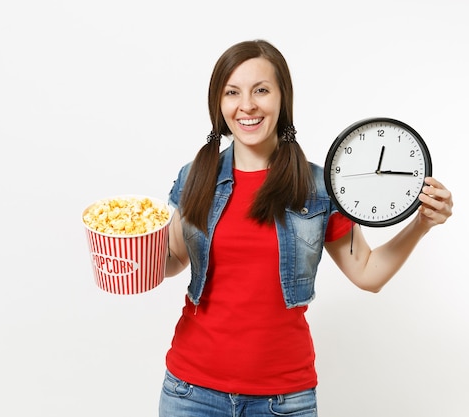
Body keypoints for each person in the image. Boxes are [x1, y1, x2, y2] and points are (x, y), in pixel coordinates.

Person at [159, 39, 453, 417]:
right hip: (190, 393)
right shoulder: (196, 176)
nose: (246, 105)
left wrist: (422, 224)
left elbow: (367, 273)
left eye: (261, 90)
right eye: (232, 92)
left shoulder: (317, 186)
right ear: (219, 102)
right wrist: (129, 251)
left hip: (284, 401)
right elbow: (171, 260)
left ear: (283, 99)